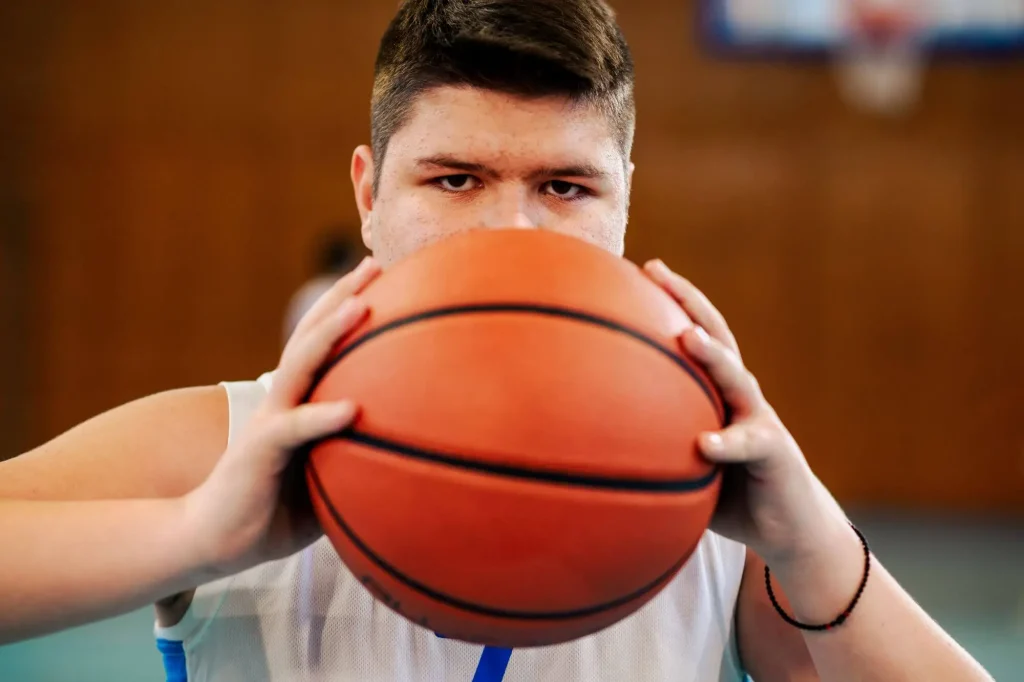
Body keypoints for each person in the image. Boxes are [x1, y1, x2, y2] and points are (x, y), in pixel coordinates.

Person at [0, 1, 994, 680]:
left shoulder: (716, 503)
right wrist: (196, 533)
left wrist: (809, 538)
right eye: (454, 179)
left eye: (565, 187)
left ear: (624, 201)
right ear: (367, 192)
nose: (511, 231)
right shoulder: (227, 445)